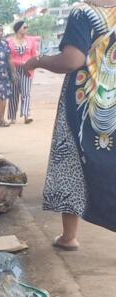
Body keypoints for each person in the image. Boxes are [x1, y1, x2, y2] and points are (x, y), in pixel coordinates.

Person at [26, 1, 116, 250]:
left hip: (85, 104)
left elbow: (71, 60)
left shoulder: (82, 11)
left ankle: (69, 237)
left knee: (71, 162)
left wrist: (38, 61)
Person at [7, 21, 39, 124]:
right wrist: (15, 65)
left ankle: (26, 115)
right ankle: (12, 117)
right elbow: (9, 58)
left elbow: (34, 55)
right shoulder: (9, 42)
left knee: (26, 93)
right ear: (18, 29)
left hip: (27, 69)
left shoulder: (31, 41)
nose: (26, 29)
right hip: (14, 69)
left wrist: (32, 65)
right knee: (13, 93)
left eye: (27, 27)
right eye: (24, 27)